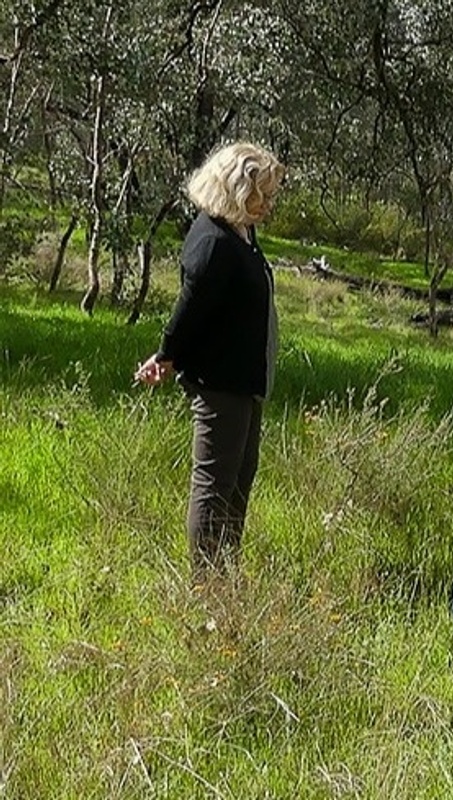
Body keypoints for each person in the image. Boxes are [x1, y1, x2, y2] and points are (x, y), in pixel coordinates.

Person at [134, 142, 287, 577]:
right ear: (238, 190)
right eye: (263, 194)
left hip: (245, 380)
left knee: (240, 479)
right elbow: (190, 307)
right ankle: (206, 584)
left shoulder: (240, 229)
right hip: (221, 383)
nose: (269, 204)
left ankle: (226, 570)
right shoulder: (213, 243)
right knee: (214, 486)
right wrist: (166, 355)